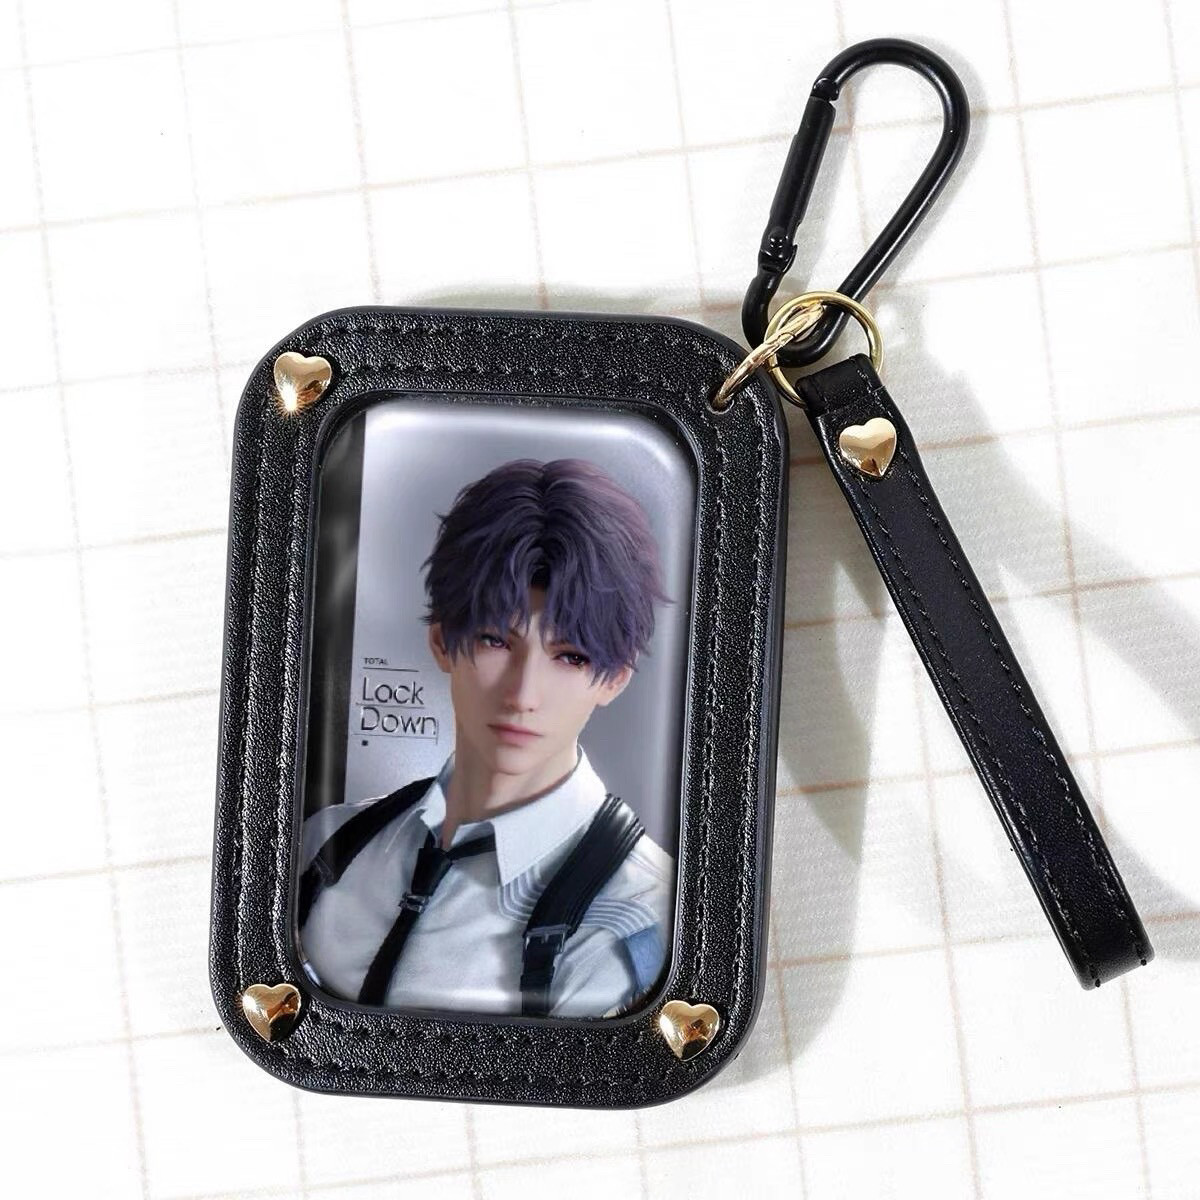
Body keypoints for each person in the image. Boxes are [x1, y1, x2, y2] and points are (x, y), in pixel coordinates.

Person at [298, 458, 675, 1018]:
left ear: (615, 678)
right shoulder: (328, 843)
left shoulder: (639, 920)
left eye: (570, 656)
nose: (523, 694)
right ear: (442, 642)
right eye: (496, 641)